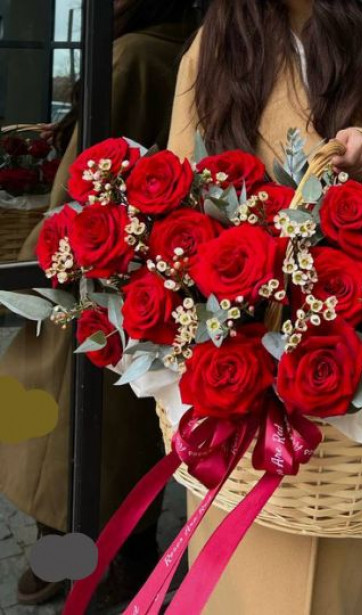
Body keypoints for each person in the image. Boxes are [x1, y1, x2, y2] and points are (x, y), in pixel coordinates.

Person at [167, 1, 362, 613]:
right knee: (236, 573)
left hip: (355, 369)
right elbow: (183, 189)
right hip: (242, 368)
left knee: (334, 584)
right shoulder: (215, 45)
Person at [0, 0, 196, 607]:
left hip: (92, 261)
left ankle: (77, 558)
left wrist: (34, 262)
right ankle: (105, 556)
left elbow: (82, 181)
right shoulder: (181, 49)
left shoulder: (132, 55)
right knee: (125, 429)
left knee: (64, 433)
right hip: (147, 268)